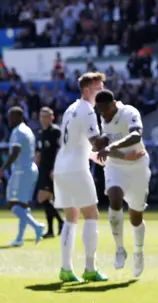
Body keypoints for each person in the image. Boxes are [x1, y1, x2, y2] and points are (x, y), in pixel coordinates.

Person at [53, 72, 107, 283]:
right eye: (98, 87)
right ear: (87, 90)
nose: (102, 91)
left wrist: (94, 156)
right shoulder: (87, 110)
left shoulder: (70, 109)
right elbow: (96, 141)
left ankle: (66, 269)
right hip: (76, 169)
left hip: (62, 167)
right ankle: (90, 268)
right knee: (91, 214)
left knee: (71, 217)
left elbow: (76, 142)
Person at [95, 89, 150, 277]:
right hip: (116, 166)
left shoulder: (130, 112)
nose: (104, 115)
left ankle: (138, 252)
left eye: (105, 110)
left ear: (114, 104)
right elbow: (108, 145)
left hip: (138, 167)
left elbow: (136, 136)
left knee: (136, 216)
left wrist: (111, 146)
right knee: (115, 198)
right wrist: (105, 145)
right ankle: (119, 248)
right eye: (100, 111)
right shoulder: (104, 118)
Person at [0, 106, 44, 247]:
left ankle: (36, 226)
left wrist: (2, 170)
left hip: (21, 171)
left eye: (11, 117)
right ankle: (19, 238)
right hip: (30, 169)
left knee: (12, 204)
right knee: (23, 205)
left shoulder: (18, 131)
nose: (9, 120)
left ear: (18, 117)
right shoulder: (28, 130)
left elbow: (15, 152)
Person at [35, 107, 64, 238]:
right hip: (43, 168)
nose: (43, 119)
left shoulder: (55, 132)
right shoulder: (41, 133)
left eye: (45, 116)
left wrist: (56, 168)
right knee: (48, 199)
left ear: (51, 117)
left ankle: (61, 222)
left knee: (42, 198)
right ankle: (52, 230)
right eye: (41, 116)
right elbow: (39, 152)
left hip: (52, 169)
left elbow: (59, 151)